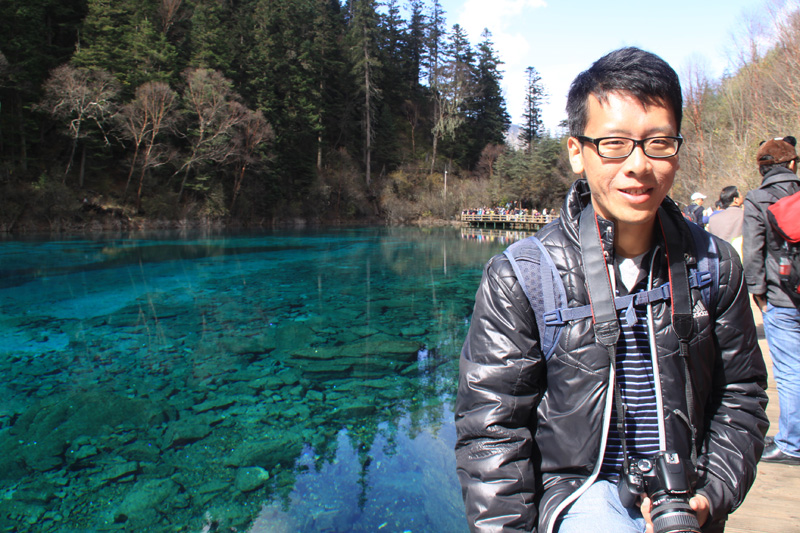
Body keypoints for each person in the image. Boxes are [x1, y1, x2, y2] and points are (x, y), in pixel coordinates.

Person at [455, 47, 768, 533]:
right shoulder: (523, 276)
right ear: (576, 152)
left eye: (658, 142)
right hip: (579, 494)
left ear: (677, 149)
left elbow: (741, 397)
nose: (638, 165)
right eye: (614, 144)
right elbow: (491, 432)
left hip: (685, 501)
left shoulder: (714, 265)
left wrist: (711, 494)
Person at [743, 135, 800, 465]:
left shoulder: (758, 199)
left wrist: (758, 292)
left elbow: (753, 250)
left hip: (782, 296)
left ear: (762, 168)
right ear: (792, 164)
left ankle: (792, 443)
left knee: (790, 371)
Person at [707, 186, 745, 257]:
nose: (742, 197)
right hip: (740, 257)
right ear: (735, 199)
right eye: (740, 195)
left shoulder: (712, 219)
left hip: (720, 257)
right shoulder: (745, 215)